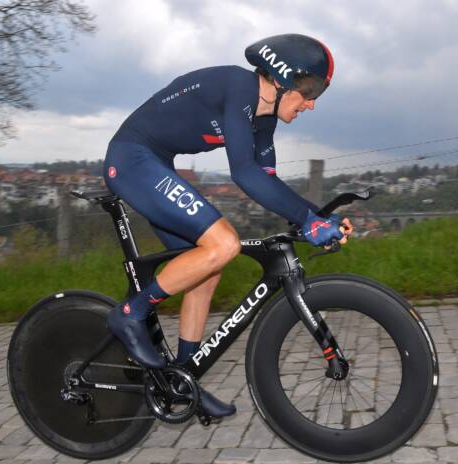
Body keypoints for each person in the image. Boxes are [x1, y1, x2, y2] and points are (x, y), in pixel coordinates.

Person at [103, 33, 353, 419]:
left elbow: (267, 183)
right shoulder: (239, 88)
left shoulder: (263, 121)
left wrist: (317, 218)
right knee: (224, 245)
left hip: (155, 162)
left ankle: (183, 378)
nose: (312, 104)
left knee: (208, 269)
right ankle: (130, 312)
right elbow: (245, 174)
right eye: (308, 90)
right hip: (132, 158)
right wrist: (308, 220)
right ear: (282, 77)